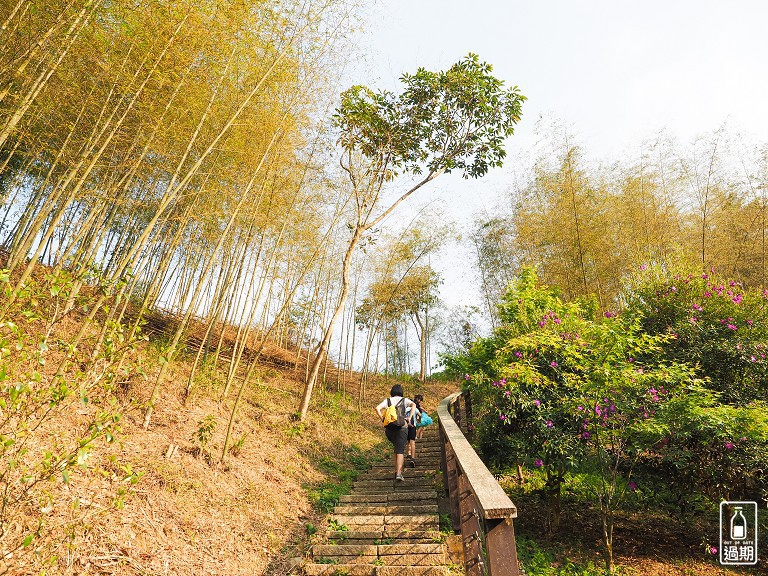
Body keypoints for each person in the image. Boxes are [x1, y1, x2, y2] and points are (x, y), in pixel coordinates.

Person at [375, 384, 416, 481]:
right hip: (401, 427)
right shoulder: (404, 400)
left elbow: (377, 408)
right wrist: (409, 418)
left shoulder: (387, 400)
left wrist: (383, 419)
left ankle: (396, 470)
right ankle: (398, 473)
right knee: (400, 450)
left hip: (390, 429)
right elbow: (413, 405)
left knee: (396, 449)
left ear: (392, 392)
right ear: (401, 392)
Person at [406, 394, 424, 464]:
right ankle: (413, 458)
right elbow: (420, 416)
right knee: (412, 442)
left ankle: (408, 453)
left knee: (408, 442)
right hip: (413, 426)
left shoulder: (405, 409)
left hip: (406, 426)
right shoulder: (415, 409)